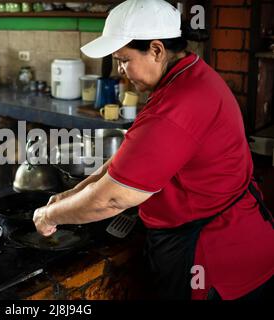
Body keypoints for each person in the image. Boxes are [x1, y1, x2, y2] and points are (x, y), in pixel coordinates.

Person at [33, 0, 274, 300]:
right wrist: (69, 196)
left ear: (157, 50)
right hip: (234, 236)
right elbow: (122, 163)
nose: (120, 70)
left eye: (124, 59)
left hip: (214, 256)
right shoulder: (189, 76)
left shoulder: (176, 106)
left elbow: (112, 198)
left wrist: (50, 216)